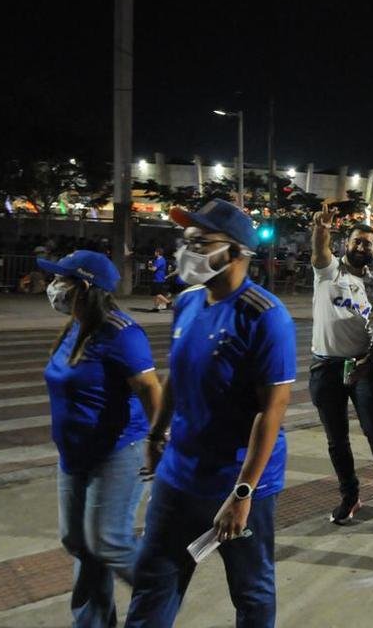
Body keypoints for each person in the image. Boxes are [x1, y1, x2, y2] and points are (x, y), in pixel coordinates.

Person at [127, 199, 297, 627]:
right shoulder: (187, 303)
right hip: (178, 477)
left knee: (251, 591)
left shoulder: (265, 317)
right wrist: (154, 435)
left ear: (237, 252)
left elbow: (271, 412)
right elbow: (177, 376)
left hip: (237, 486)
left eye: (201, 243)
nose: (189, 251)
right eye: (186, 242)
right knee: (154, 584)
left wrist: (243, 494)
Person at [38, 250, 163, 628]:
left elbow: (152, 390)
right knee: (77, 541)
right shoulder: (76, 326)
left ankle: (161, 594)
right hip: (74, 454)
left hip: (117, 452)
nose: (54, 287)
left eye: (62, 280)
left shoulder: (121, 332)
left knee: (108, 541)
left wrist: (159, 443)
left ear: (85, 286)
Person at [308, 207, 373, 524]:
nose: (362, 247)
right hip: (325, 366)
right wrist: (322, 228)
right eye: (357, 241)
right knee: (337, 439)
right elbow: (319, 249)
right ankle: (350, 496)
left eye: (368, 243)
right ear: (346, 244)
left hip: (361, 367)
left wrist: (369, 360)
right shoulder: (329, 270)